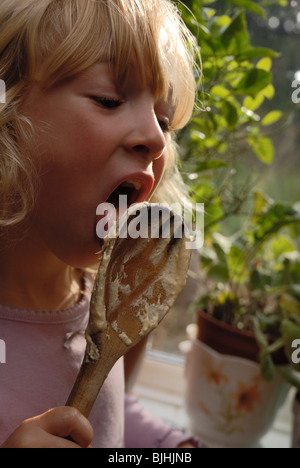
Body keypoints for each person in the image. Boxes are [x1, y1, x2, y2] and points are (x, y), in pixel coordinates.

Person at [0, 0, 199, 448]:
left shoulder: (111, 303)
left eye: (164, 121)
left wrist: (172, 448)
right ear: (7, 115)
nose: (154, 137)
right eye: (110, 99)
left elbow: (110, 408)